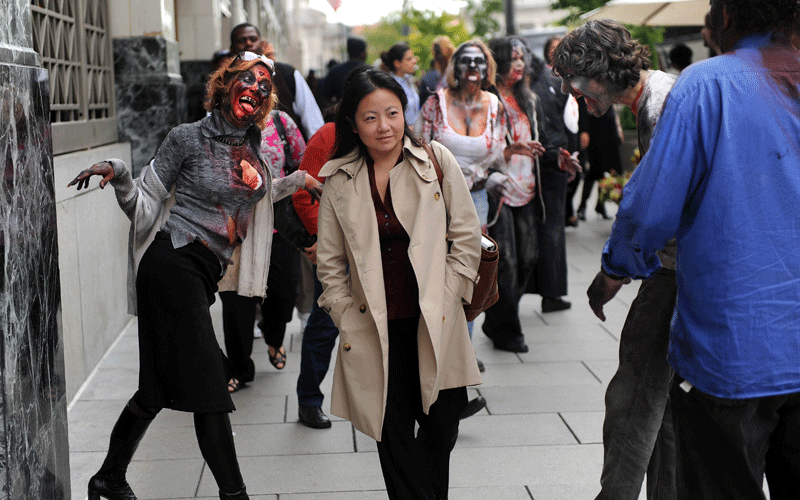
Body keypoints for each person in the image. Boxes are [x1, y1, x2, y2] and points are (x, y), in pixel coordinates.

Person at [69, 52, 322, 500]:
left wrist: (298, 179)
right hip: (172, 263)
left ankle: (108, 478)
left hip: (202, 274)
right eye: (248, 80)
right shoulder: (186, 138)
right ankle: (234, 494)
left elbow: (257, 198)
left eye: (265, 86)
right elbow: (146, 204)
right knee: (210, 390)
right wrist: (121, 174)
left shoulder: (252, 145)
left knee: (154, 390)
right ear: (224, 85)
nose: (257, 89)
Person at [587, 1, 800, 498]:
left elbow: (648, 210)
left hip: (733, 351)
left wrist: (616, 269)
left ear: (725, 19)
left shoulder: (705, 86)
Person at [316, 66, 483, 500]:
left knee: (441, 427)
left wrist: (452, 295)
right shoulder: (338, 179)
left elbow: (465, 236)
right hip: (373, 327)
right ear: (352, 123)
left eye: (392, 113)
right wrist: (344, 317)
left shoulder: (436, 161)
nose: (384, 126)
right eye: (370, 117)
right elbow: (330, 263)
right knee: (392, 437)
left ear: (404, 113)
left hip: (436, 319)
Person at [553, 20, 678, 500]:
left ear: (599, 70)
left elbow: (651, 204)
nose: (573, 93)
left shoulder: (663, 103)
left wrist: (613, 271)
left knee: (634, 396)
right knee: (660, 400)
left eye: (574, 81)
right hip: (682, 266)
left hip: (681, 270)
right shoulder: (657, 98)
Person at [217, 109, 307, 392]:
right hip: (235, 227)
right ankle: (239, 368)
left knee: (284, 291)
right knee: (236, 301)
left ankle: (273, 335)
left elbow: (304, 161)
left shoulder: (281, 122)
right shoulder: (218, 127)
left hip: (278, 224)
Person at [293, 120, 340, 428]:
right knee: (326, 324)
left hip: (384, 244)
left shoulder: (395, 136)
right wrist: (322, 239)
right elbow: (304, 194)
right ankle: (309, 399)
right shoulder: (329, 136)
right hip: (336, 248)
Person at [528, 40, 580, 314]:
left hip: (527, 161)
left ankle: (520, 289)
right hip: (556, 157)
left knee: (530, 227)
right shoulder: (559, 82)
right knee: (552, 227)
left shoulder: (522, 85)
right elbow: (572, 122)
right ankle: (553, 293)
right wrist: (571, 155)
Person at [230, 23, 323, 140]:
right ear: (232, 48)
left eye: (253, 39)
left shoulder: (287, 73)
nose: (248, 43)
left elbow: (312, 120)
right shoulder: (224, 80)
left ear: (261, 44)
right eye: (241, 40)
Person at [576, 105, 623, 221]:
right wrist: (584, 131)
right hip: (596, 132)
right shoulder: (588, 89)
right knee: (594, 171)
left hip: (610, 132)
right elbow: (583, 110)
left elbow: (612, 107)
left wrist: (619, 129)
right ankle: (582, 206)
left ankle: (600, 205)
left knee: (609, 172)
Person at [317, 36, 369, 111]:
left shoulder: (335, 71)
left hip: (341, 115)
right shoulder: (371, 70)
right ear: (363, 53)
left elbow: (323, 97)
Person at [381, 42, 421, 125]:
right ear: (397, 63)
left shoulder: (408, 80)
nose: (414, 61)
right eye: (409, 59)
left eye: (413, 58)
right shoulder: (390, 86)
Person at [419, 36, 455, 106]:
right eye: (436, 55)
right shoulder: (441, 74)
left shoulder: (454, 72)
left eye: (440, 54)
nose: (438, 58)